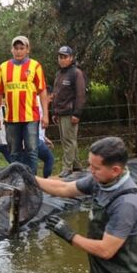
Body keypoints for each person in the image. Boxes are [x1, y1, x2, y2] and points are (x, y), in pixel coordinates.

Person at [37, 137, 137, 273]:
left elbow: (106, 250)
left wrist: (68, 234)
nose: (91, 171)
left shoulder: (127, 203)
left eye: (96, 168)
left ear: (115, 170)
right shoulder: (100, 182)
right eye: (90, 165)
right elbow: (64, 189)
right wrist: (29, 178)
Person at [0, 35, 48, 174]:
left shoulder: (35, 66)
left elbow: (42, 91)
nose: (18, 51)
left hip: (30, 117)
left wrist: (46, 115)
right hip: (11, 118)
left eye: (21, 48)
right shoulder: (3, 68)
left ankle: (33, 182)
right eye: (16, 48)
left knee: (32, 150)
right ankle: (18, 181)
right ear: (11, 50)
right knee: (14, 152)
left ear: (27, 49)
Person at [52, 45, 86, 178]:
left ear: (71, 58)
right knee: (68, 140)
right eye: (60, 57)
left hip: (70, 112)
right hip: (60, 112)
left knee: (68, 141)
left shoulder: (76, 73)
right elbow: (56, 94)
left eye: (65, 57)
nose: (62, 59)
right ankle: (77, 165)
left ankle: (67, 167)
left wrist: (77, 113)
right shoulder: (59, 73)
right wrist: (54, 111)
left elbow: (81, 95)